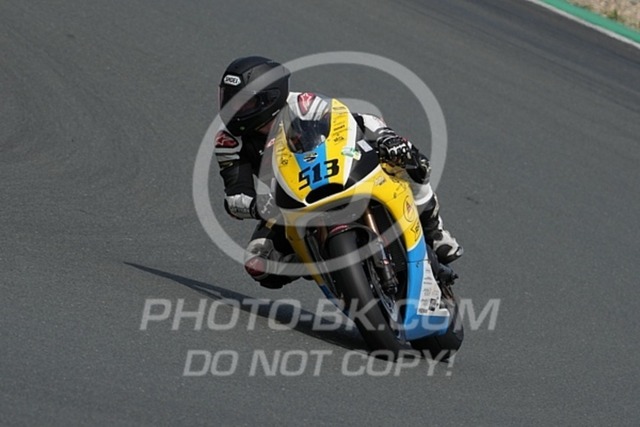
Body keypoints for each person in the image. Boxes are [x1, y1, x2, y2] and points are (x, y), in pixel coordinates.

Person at [214, 56, 462, 289]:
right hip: (290, 201)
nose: (233, 109)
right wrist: (256, 206)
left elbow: (360, 120)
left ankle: (435, 232)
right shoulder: (229, 141)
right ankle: (322, 261)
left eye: (244, 103)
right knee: (258, 263)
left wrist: (387, 137)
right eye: (229, 100)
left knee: (412, 162)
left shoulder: (305, 105)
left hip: (342, 170)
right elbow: (235, 191)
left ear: (270, 98)